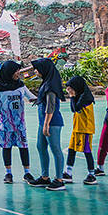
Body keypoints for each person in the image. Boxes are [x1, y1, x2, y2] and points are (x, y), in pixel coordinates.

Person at [0, 60, 35, 184]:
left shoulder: (20, 85)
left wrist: (43, 97)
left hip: (20, 124)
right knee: (6, 147)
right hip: (5, 124)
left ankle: (27, 173)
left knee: (23, 146)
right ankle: (8, 174)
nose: (18, 73)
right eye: (16, 71)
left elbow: (31, 97)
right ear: (9, 72)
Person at [30, 58, 67, 191]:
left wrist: (46, 125)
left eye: (37, 69)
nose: (35, 71)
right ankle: (45, 177)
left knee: (55, 149)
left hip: (52, 122)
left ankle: (59, 179)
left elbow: (50, 107)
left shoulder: (50, 86)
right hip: (43, 122)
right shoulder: (46, 82)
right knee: (40, 146)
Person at [63, 76, 97, 185]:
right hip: (77, 128)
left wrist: (72, 96)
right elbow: (74, 109)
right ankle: (68, 172)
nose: (70, 91)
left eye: (71, 88)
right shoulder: (79, 96)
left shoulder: (86, 97)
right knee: (72, 149)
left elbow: (75, 108)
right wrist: (73, 96)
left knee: (87, 151)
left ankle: (92, 174)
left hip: (85, 129)